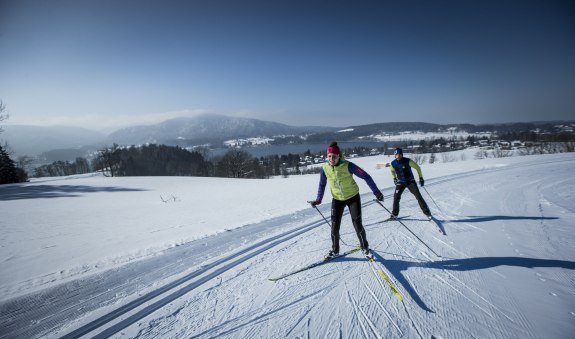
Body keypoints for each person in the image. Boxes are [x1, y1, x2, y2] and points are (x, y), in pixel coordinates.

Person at [311, 141, 384, 259]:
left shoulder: (348, 165)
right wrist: (318, 200)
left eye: (334, 156)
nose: (331, 159)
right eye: (329, 156)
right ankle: (335, 250)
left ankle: (365, 248)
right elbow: (322, 184)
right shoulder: (325, 168)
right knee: (334, 226)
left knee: (357, 224)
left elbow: (366, 176)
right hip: (337, 199)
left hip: (352, 197)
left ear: (339, 155)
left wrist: (377, 192)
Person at [388, 147, 431, 220]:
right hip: (400, 182)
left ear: (402, 154)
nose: (398, 156)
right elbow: (391, 170)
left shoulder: (408, 161)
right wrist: (394, 178)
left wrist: (421, 178)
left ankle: (427, 212)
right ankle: (394, 214)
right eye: (396, 155)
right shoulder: (393, 163)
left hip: (410, 182)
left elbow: (418, 168)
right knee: (396, 198)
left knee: (418, 196)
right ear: (395, 156)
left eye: (399, 155)